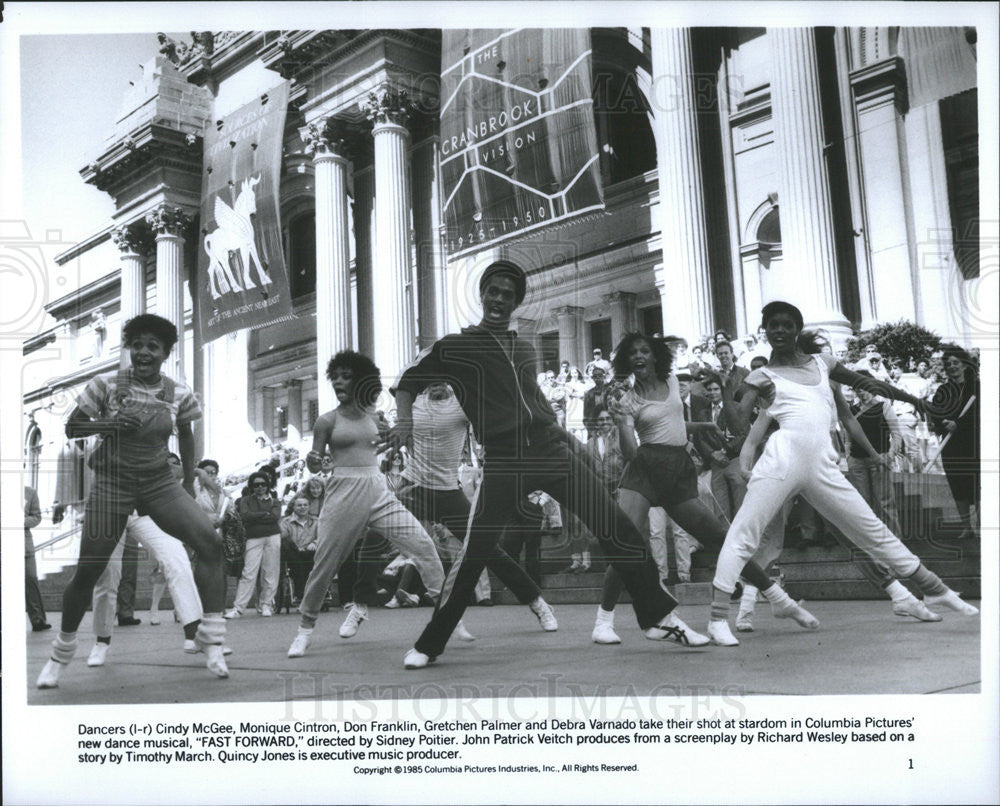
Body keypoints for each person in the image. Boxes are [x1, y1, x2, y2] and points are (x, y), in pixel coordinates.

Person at [389, 261, 709, 669]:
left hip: (550, 449)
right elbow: (408, 381)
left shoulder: (522, 347)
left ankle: (659, 618)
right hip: (505, 459)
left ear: (516, 302)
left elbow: (537, 405)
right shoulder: (457, 346)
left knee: (617, 527)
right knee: (476, 552)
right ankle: (430, 643)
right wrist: (403, 421)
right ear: (482, 294)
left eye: (508, 294)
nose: (500, 299)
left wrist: (573, 443)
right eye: (494, 291)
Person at [708, 301, 977, 646]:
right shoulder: (763, 376)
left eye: (786, 324)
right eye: (772, 325)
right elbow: (740, 423)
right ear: (765, 331)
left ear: (796, 329)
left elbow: (867, 384)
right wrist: (734, 387)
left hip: (823, 463)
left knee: (870, 529)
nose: (779, 330)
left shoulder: (824, 364)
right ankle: (718, 618)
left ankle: (933, 589)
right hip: (781, 460)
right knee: (744, 534)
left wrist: (917, 400)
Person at [37, 314, 228, 688]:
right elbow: (72, 426)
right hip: (112, 482)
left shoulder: (178, 392)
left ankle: (213, 637)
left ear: (165, 353)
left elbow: (186, 436)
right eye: (136, 345)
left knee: (211, 543)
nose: (142, 352)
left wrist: (188, 481)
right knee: (89, 570)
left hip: (159, 482)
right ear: (129, 349)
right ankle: (62, 652)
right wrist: (108, 425)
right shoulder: (106, 384)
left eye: (151, 346)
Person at [592, 333, 806, 646]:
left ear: (655, 356)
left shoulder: (672, 381)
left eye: (644, 351)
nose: (639, 357)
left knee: (721, 537)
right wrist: (624, 423)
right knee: (627, 544)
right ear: (627, 360)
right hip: (643, 469)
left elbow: (671, 425)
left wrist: (702, 427)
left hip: (678, 469)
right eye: (633, 353)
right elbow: (629, 452)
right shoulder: (627, 396)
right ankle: (603, 621)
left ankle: (777, 598)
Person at [286, 351, 444, 658]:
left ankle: (448, 616)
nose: (340, 382)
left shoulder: (376, 418)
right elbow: (315, 466)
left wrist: (400, 436)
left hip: (377, 488)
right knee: (325, 562)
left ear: (361, 381)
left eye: (347, 376)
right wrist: (313, 460)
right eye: (336, 377)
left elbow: (397, 442)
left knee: (423, 545)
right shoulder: (326, 420)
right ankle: (304, 630)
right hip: (343, 491)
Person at [389, 381, 557, 636]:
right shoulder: (412, 402)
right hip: (412, 486)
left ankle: (537, 601)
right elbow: (399, 386)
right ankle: (358, 604)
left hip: (447, 491)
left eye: (441, 376)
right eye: (429, 375)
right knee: (372, 527)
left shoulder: (462, 404)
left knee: (487, 548)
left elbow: (492, 420)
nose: (435, 381)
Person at [927, 346, 980, 538]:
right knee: (958, 485)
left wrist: (960, 424)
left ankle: (982, 526)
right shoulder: (943, 390)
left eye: (956, 362)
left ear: (965, 365)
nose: (952, 367)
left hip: (975, 443)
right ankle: (967, 527)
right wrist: (944, 424)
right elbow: (935, 413)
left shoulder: (978, 387)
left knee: (978, 484)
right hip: (951, 446)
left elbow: (983, 415)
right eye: (948, 364)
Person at [227, 471, 282, 618]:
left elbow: (275, 516)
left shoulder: (275, 501)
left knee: (270, 572)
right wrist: (265, 514)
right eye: (256, 485)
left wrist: (256, 515)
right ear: (252, 486)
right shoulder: (245, 500)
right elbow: (245, 516)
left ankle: (266, 605)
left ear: (268, 485)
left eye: (263, 484)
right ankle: (238, 608)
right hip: (253, 538)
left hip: (273, 537)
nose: (260, 487)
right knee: (248, 573)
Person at [280, 494, 318, 606]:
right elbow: (283, 538)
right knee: (297, 562)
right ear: (294, 507)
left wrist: (314, 543)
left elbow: (323, 536)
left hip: (311, 551)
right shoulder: (286, 522)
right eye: (299, 505)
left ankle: (313, 594)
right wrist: (297, 548)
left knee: (314, 562)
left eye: (305, 505)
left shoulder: (316, 521)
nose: (302, 507)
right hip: (294, 553)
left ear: (309, 507)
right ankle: (301, 594)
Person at [24, 485, 51, 632]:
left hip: (24, 545)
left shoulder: (30, 492)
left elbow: (36, 517)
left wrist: (19, 521)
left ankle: (38, 619)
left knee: (30, 579)